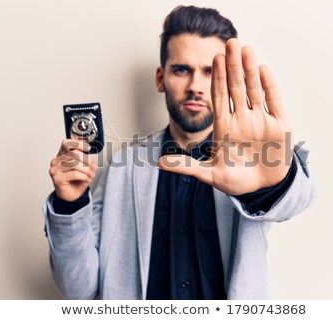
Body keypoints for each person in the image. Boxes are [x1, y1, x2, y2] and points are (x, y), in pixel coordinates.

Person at [43, 5, 315, 300]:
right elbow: (77, 289)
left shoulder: (248, 158)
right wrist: (69, 204)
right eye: (182, 69)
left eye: (210, 71)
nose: (195, 86)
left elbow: (299, 197)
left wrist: (273, 182)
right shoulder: (121, 167)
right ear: (161, 79)